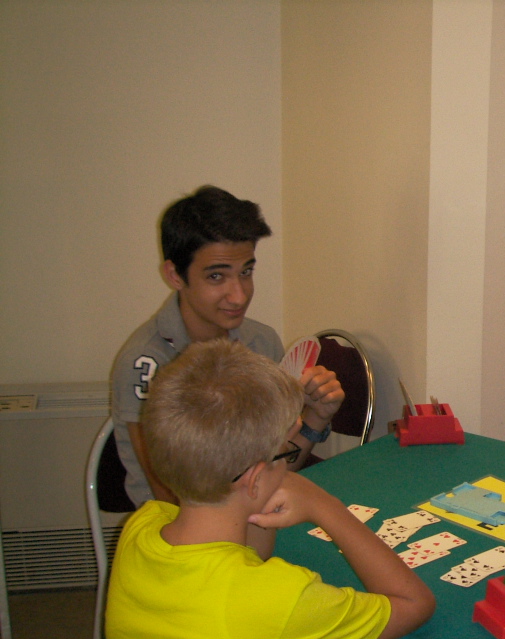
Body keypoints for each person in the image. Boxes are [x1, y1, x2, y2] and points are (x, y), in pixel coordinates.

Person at [105, 339, 437, 639]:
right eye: (286, 450)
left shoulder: (141, 528)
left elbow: (250, 557)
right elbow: (415, 603)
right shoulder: (280, 600)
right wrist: (325, 506)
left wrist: (261, 492)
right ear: (256, 479)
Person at [111, 185, 343, 509]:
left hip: (250, 513)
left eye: (246, 272)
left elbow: (275, 470)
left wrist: (316, 417)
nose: (239, 295)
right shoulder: (146, 362)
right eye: (216, 277)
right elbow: (168, 496)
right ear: (175, 275)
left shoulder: (260, 342)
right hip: (180, 527)